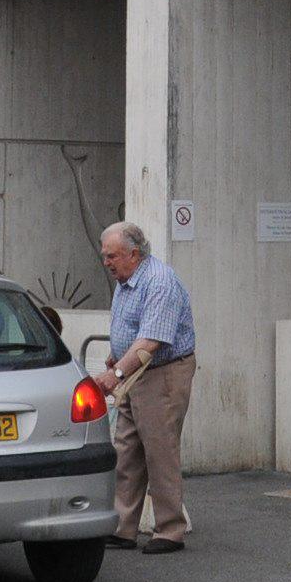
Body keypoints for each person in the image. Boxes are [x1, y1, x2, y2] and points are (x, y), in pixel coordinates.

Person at [96, 219, 196, 553]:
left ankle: (169, 530)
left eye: (112, 256)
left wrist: (115, 375)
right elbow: (129, 328)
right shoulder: (127, 281)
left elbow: (151, 340)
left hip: (162, 373)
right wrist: (116, 357)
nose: (107, 262)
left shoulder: (159, 282)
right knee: (126, 450)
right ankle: (124, 527)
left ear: (133, 253)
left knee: (160, 450)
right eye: (105, 256)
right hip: (136, 372)